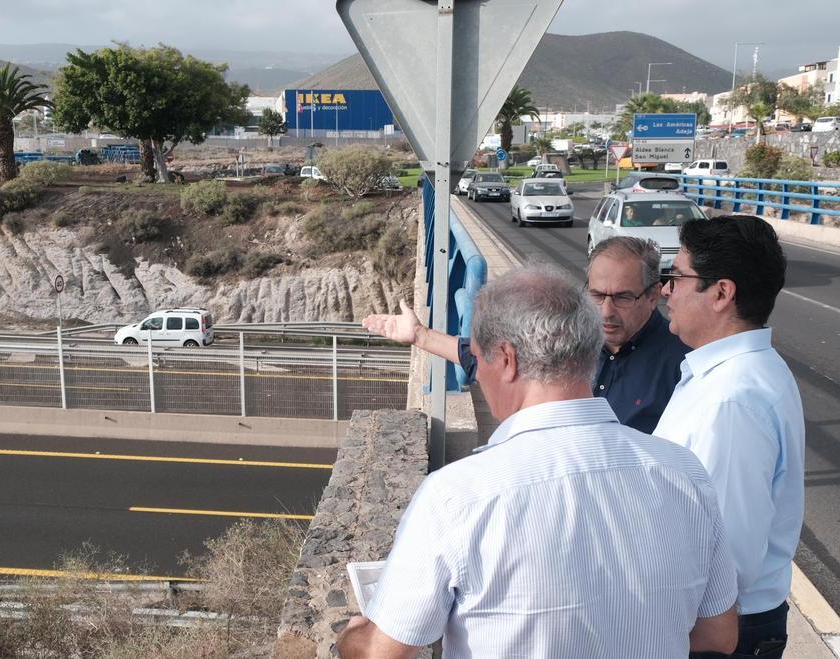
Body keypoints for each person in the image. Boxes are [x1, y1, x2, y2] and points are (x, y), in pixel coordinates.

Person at [336, 267, 738, 659]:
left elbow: (382, 653)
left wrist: (353, 637)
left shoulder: (457, 498)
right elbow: (719, 635)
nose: (478, 377)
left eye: (479, 360)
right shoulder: (684, 472)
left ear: (507, 360)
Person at [654, 215, 805, 659]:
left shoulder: (731, 402)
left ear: (722, 293)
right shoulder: (737, 373)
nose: (666, 290)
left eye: (676, 277)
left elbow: (725, 563)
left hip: (718, 632)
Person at [362, 237, 688, 434]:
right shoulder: (574, 339)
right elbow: (497, 363)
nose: (606, 312)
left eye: (623, 297)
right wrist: (420, 336)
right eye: (596, 295)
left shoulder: (682, 365)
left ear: (653, 294)